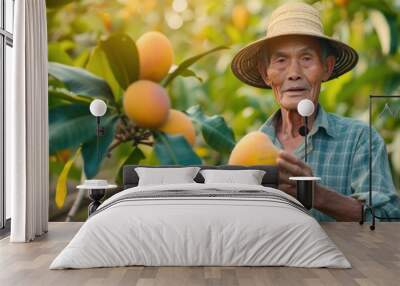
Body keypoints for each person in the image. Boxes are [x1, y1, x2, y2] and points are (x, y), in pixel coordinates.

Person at [231, 2, 400, 221]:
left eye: (306, 59)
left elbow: (387, 223)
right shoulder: (248, 152)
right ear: (266, 74)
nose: (293, 73)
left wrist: (316, 195)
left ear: (327, 68)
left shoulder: (359, 140)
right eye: (281, 60)